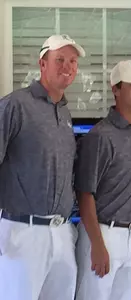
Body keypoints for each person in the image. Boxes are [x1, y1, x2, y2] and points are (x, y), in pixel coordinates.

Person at [0, 34, 85, 300]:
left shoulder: (65, 113)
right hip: (22, 233)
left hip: (61, 233)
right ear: (42, 63)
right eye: (59, 59)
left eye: (72, 61)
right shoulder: (16, 105)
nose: (67, 66)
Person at [74, 60, 131, 300]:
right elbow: (84, 193)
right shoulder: (100, 136)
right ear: (116, 90)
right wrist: (98, 246)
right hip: (102, 235)